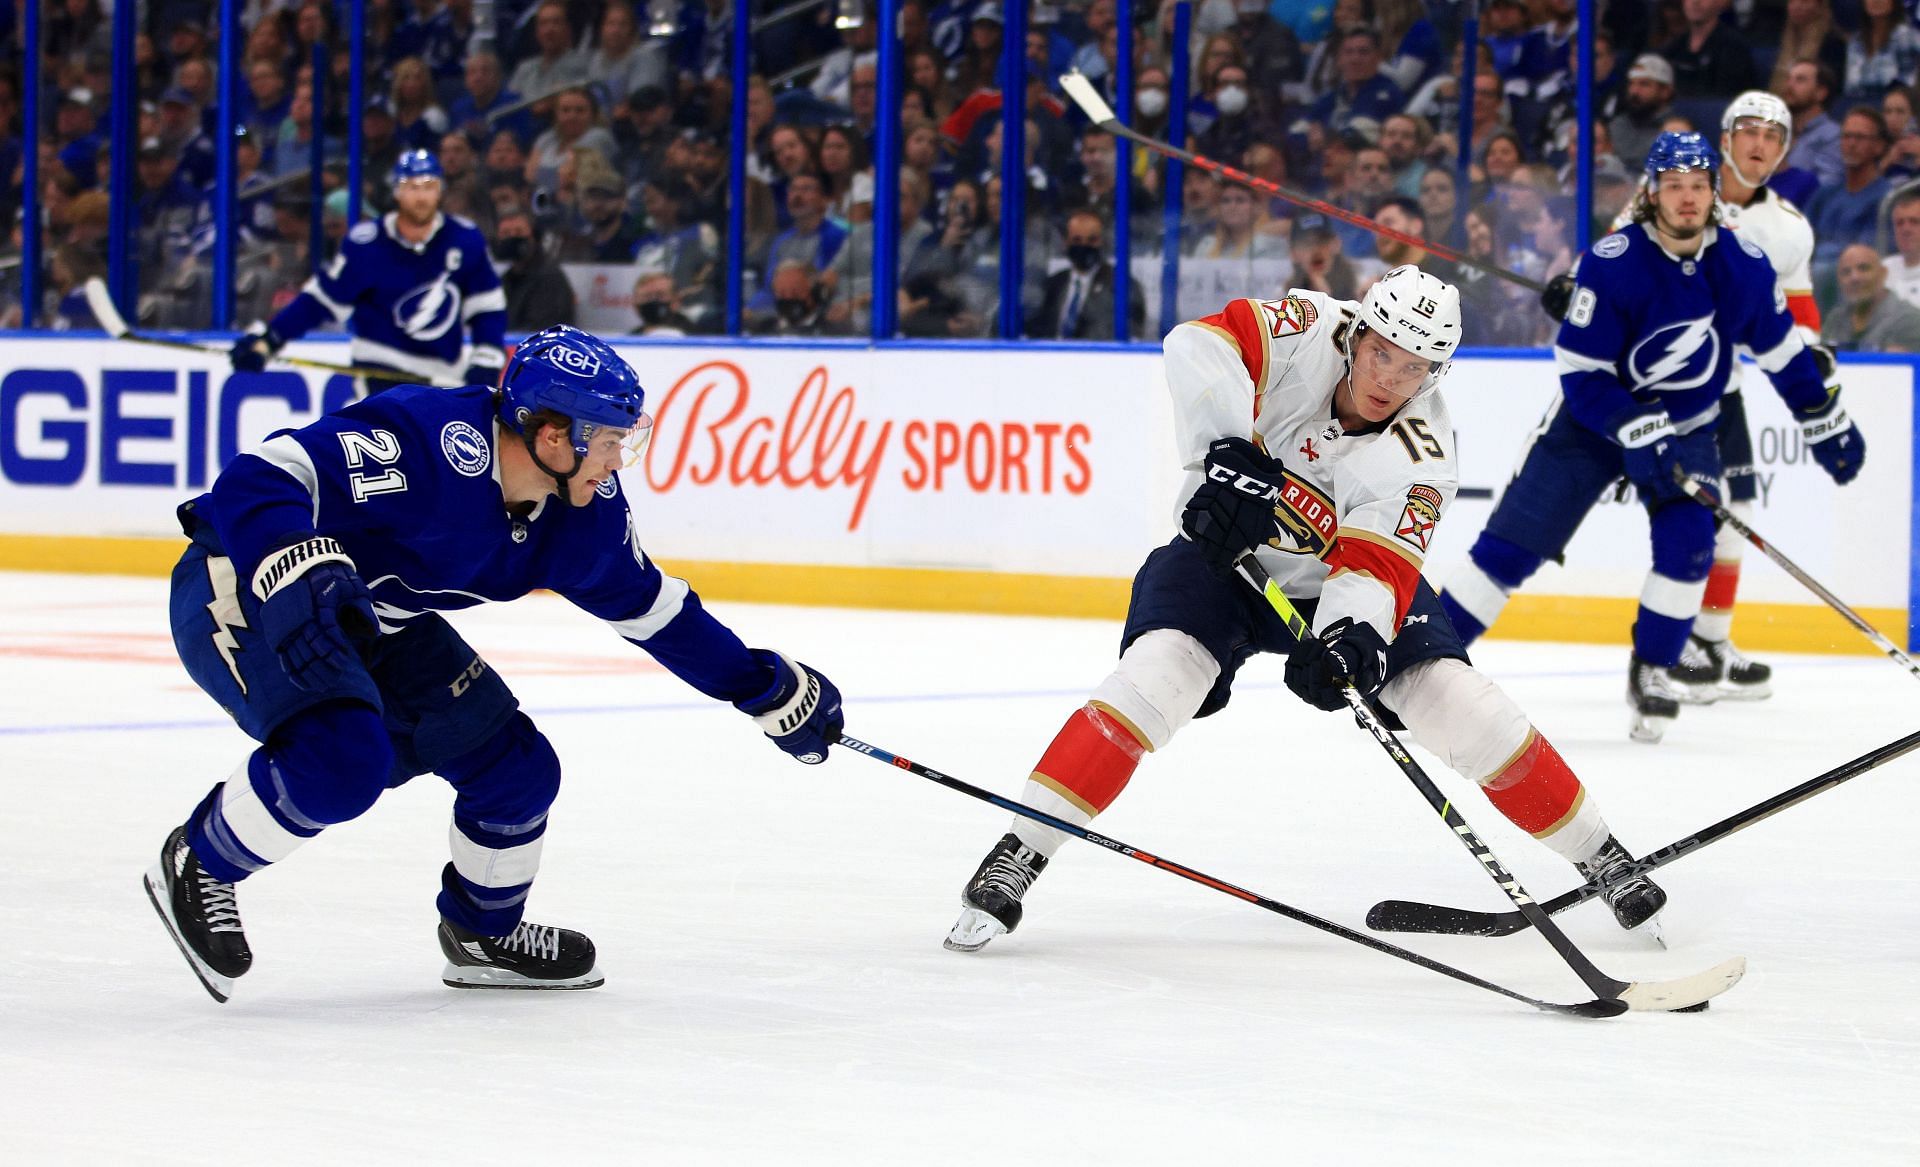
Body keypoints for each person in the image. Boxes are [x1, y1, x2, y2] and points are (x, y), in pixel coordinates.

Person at [944, 265, 1672, 956]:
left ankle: (1602, 855)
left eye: (1414, 366)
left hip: (1338, 581)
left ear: (1436, 372)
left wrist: (1350, 637)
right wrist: (1224, 449)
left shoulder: (1424, 453)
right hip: (1225, 562)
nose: (1391, 377)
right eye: (1383, 352)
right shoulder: (1304, 327)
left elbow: (1375, 568)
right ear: (1360, 330)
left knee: (1458, 702)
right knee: (1155, 679)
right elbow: (1196, 343)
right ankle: (1021, 850)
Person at [146, 326, 845, 1001]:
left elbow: (657, 613)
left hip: (376, 616)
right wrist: (285, 557)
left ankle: (483, 933)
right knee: (341, 759)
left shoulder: (583, 515)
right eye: (607, 442)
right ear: (551, 436)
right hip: (245, 582)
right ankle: (200, 861)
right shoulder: (421, 443)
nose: (615, 463)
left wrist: (761, 687)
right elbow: (257, 477)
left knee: (515, 768)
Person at [1436, 133, 1864, 743]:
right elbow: (1583, 374)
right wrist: (1634, 426)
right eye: (1674, 186)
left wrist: (1820, 415)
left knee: (1692, 540)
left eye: (1698, 186)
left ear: (1714, 191)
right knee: (1511, 550)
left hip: (1688, 428)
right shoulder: (1615, 262)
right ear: (1652, 192)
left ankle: (1654, 670)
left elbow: (1781, 348)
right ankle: (1421, 663)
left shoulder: (1741, 263)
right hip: (1590, 427)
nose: (1687, 199)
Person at [230, 150, 507, 396]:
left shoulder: (465, 239)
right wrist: (271, 338)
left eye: (429, 186)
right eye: (411, 187)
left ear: (440, 191)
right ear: (397, 191)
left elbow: (487, 308)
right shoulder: (368, 243)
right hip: (380, 372)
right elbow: (321, 301)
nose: (421, 196)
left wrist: (486, 359)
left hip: (443, 376)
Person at [1824, 243, 1920, 350]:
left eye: (1863, 268)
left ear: (1883, 274)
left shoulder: (1910, 320)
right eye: (1846, 272)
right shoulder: (1834, 320)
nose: (1854, 278)